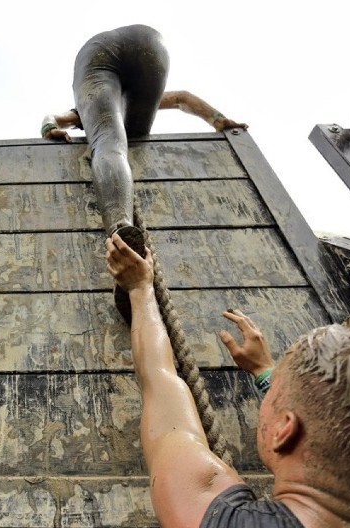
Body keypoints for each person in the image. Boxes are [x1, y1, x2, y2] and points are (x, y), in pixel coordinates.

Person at [105, 232, 350, 528]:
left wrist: (140, 288)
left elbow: (160, 379)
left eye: (274, 393)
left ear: (283, 430)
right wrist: (267, 372)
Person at [41, 25, 246, 323]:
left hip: (96, 53)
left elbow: (51, 117)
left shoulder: (87, 109)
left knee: (109, 143)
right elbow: (181, 98)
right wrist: (218, 119)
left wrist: (49, 129)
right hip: (151, 42)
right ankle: (124, 224)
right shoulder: (97, 108)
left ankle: (120, 227)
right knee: (133, 135)